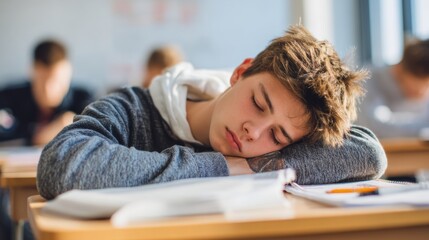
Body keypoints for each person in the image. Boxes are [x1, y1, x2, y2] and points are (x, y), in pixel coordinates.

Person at [37, 25, 387, 200]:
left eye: (278, 136)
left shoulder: (260, 149)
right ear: (240, 72)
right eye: (259, 103)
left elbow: (367, 152)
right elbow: (62, 165)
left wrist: (252, 167)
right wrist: (219, 167)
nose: (254, 131)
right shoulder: (132, 109)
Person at [0, 39, 95, 146]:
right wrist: (38, 137)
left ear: (68, 72)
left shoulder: (84, 100)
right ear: (31, 71)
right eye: (42, 81)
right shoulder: (8, 98)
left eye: (57, 81)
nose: (49, 90)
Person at [356, 38, 429, 138]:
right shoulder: (367, 79)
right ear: (399, 69)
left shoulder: (418, 83)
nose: (424, 92)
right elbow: (376, 127)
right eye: (423, 86)